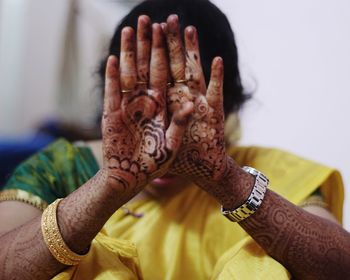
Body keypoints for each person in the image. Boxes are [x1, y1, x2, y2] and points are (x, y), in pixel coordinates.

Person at [0, 0, 349, 279]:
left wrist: (227, 179)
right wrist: (109, 186)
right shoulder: (61, 169)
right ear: (112, 97)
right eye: (145, 107)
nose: (166, 138)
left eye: (189, 109)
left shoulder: (275, 172)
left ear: (228, 103)